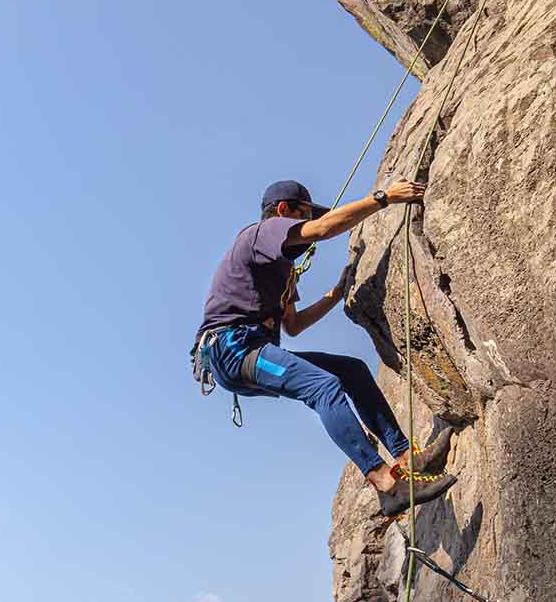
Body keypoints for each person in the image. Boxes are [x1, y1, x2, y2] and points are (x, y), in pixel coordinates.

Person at [192, 179, 456, 517]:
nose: (304, 223)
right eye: (302, 215)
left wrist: (335, 294)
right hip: (232, 349)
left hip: (248, 348)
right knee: (323, 386)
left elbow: (293, 326)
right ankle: (385, 484)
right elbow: (323, 229)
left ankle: (405, 456)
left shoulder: (281, 269)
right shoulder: (261, 233)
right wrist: (385, 198)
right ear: (284, 211)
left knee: (351, 371)